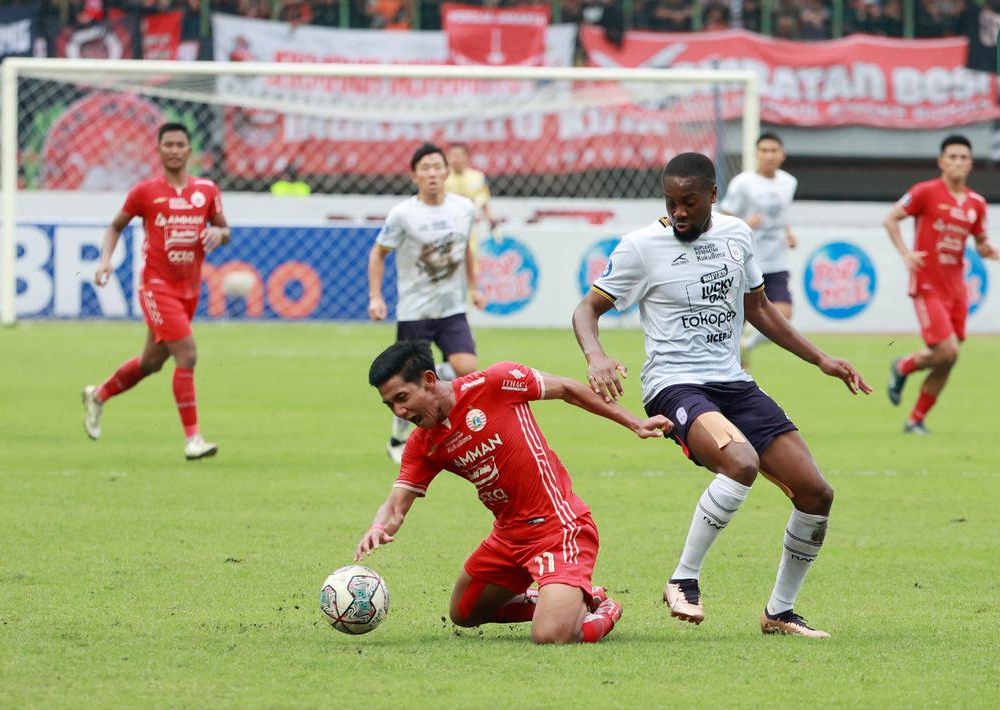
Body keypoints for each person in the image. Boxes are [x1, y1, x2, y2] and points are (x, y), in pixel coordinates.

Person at [572, 152, 871, 638]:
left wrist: (821, 359)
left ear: (713, 195)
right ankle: (683, 578)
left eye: (689, 202)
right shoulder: (640, 246)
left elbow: (760, 309)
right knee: (740, 461)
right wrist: (595, 356)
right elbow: (586, 309)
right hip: (674, 385)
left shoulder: (736, 235)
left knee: (816, 493)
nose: (679, 212)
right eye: (671, 202)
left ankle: (780, 612)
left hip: (733, 383)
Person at [356, 340, 674, 644]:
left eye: (402, 398)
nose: (398, 411)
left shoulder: (495, 382)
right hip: (508, 539)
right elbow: (395, 507)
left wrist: (634, 422)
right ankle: (564, 600)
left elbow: (567, 388)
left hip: (560, 528)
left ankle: (601, 608)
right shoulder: (422, 444)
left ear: (428, 380)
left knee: (552, 635)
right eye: (390, 404)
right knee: (464, 612)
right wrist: (378, 527)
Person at [82, 123, 230, 460]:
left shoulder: (207, 191)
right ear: (159, 150)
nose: (174, 150)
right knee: (187, 353)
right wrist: (105, 261)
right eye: (168, 145)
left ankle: (98, 395)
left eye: (180, 144)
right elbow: (115, 226)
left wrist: (219, 235)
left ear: (190, 150)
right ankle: (193, 439)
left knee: (151, 363)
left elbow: (225, 230)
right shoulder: (145, 192)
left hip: (189, 289)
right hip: (156, 287)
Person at [367, 143, 487, 465]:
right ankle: (397, 436)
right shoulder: (403, 214)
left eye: (437, 167)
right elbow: (378, 253)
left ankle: (452, 425)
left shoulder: (464, 208)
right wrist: (376, 296)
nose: (432, 173)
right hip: (415, 310)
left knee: (467, 368)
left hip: (451, 308)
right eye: (425, 168)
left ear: (446, 172)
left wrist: (473, 288)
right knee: (407, 382)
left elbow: (465, 249)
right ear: (414, 176)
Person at [883, 135, 1000, 434]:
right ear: (941, 162)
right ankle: (904, 366)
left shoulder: (976, 203)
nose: (958, 162)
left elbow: (980, 239)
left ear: (971, 164)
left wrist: (987, 249)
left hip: (956, 288)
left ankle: (916, 419)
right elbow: (891, 219)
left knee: (948, 358)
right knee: (947, 351)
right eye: (953, 157)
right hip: (927, 283)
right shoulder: (925, 192)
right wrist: (906, 253)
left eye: (964, 158)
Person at [718, 133, 798, 364]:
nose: (768, 155)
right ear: (756, 154)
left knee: (784, 315)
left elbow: (780, 215)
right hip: (746, 260)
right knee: (737, 317)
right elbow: (725, 216)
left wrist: (788, 232)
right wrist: (745, 224)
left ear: (782, 155)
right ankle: (728, 362)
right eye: (764, 151)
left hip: (776, 260)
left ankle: (747, 344)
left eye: (773, 151)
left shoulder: (789, 182)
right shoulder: (742, 183)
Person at [444, 143, 498, 241]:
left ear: (467, 157)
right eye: (451, 156)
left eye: (458, 155)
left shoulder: (478, 177)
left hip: (471, 225)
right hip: (447, 225)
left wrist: (491, 222)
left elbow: (484, 203)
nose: (455, 159)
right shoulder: (442, 178)